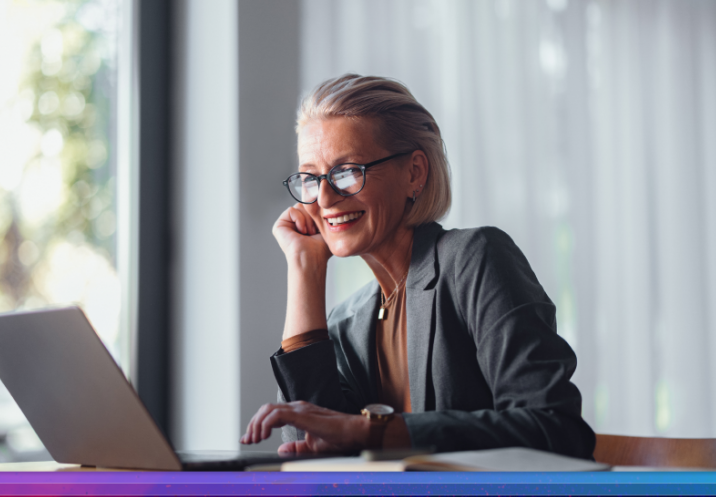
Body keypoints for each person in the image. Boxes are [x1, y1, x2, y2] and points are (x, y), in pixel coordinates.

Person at [240, 74, 595, 459]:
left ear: (414, 173)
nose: (324, 197)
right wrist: (304, 271)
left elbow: (555, 429)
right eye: (311, 178)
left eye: (346, 171)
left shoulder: (475, 258)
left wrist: (368, 431)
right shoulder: (348, 322)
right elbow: (307, 447)